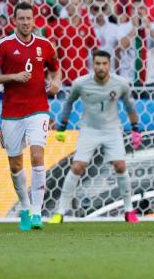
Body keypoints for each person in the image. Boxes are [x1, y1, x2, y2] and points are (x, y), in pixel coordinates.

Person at [0, 2, 62, 231]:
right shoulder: (4, 45)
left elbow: (55, 69)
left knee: (38, 156)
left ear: (34, 20)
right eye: (22, 19)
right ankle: (25, 208)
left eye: (29, 18)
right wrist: (13, 77)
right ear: (14, 20)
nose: (26, 22)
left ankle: (37, 213)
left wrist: (55, 84)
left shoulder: (45, 45)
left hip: (39, 108)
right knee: (15, 164)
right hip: (12, 112)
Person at [50, 50, 142, 224]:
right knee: (77, 167)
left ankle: (129, 210)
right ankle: (60, 212)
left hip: (112, 130)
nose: (101, 67)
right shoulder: (81, 83)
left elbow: (130, 106)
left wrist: (135, 129)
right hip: (89, 129)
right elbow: (69, 103)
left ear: (109, 65)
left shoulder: (121, 84)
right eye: (97, 63)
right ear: (93, 65)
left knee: (120, 165)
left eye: (104, 64)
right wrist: (62, 127)